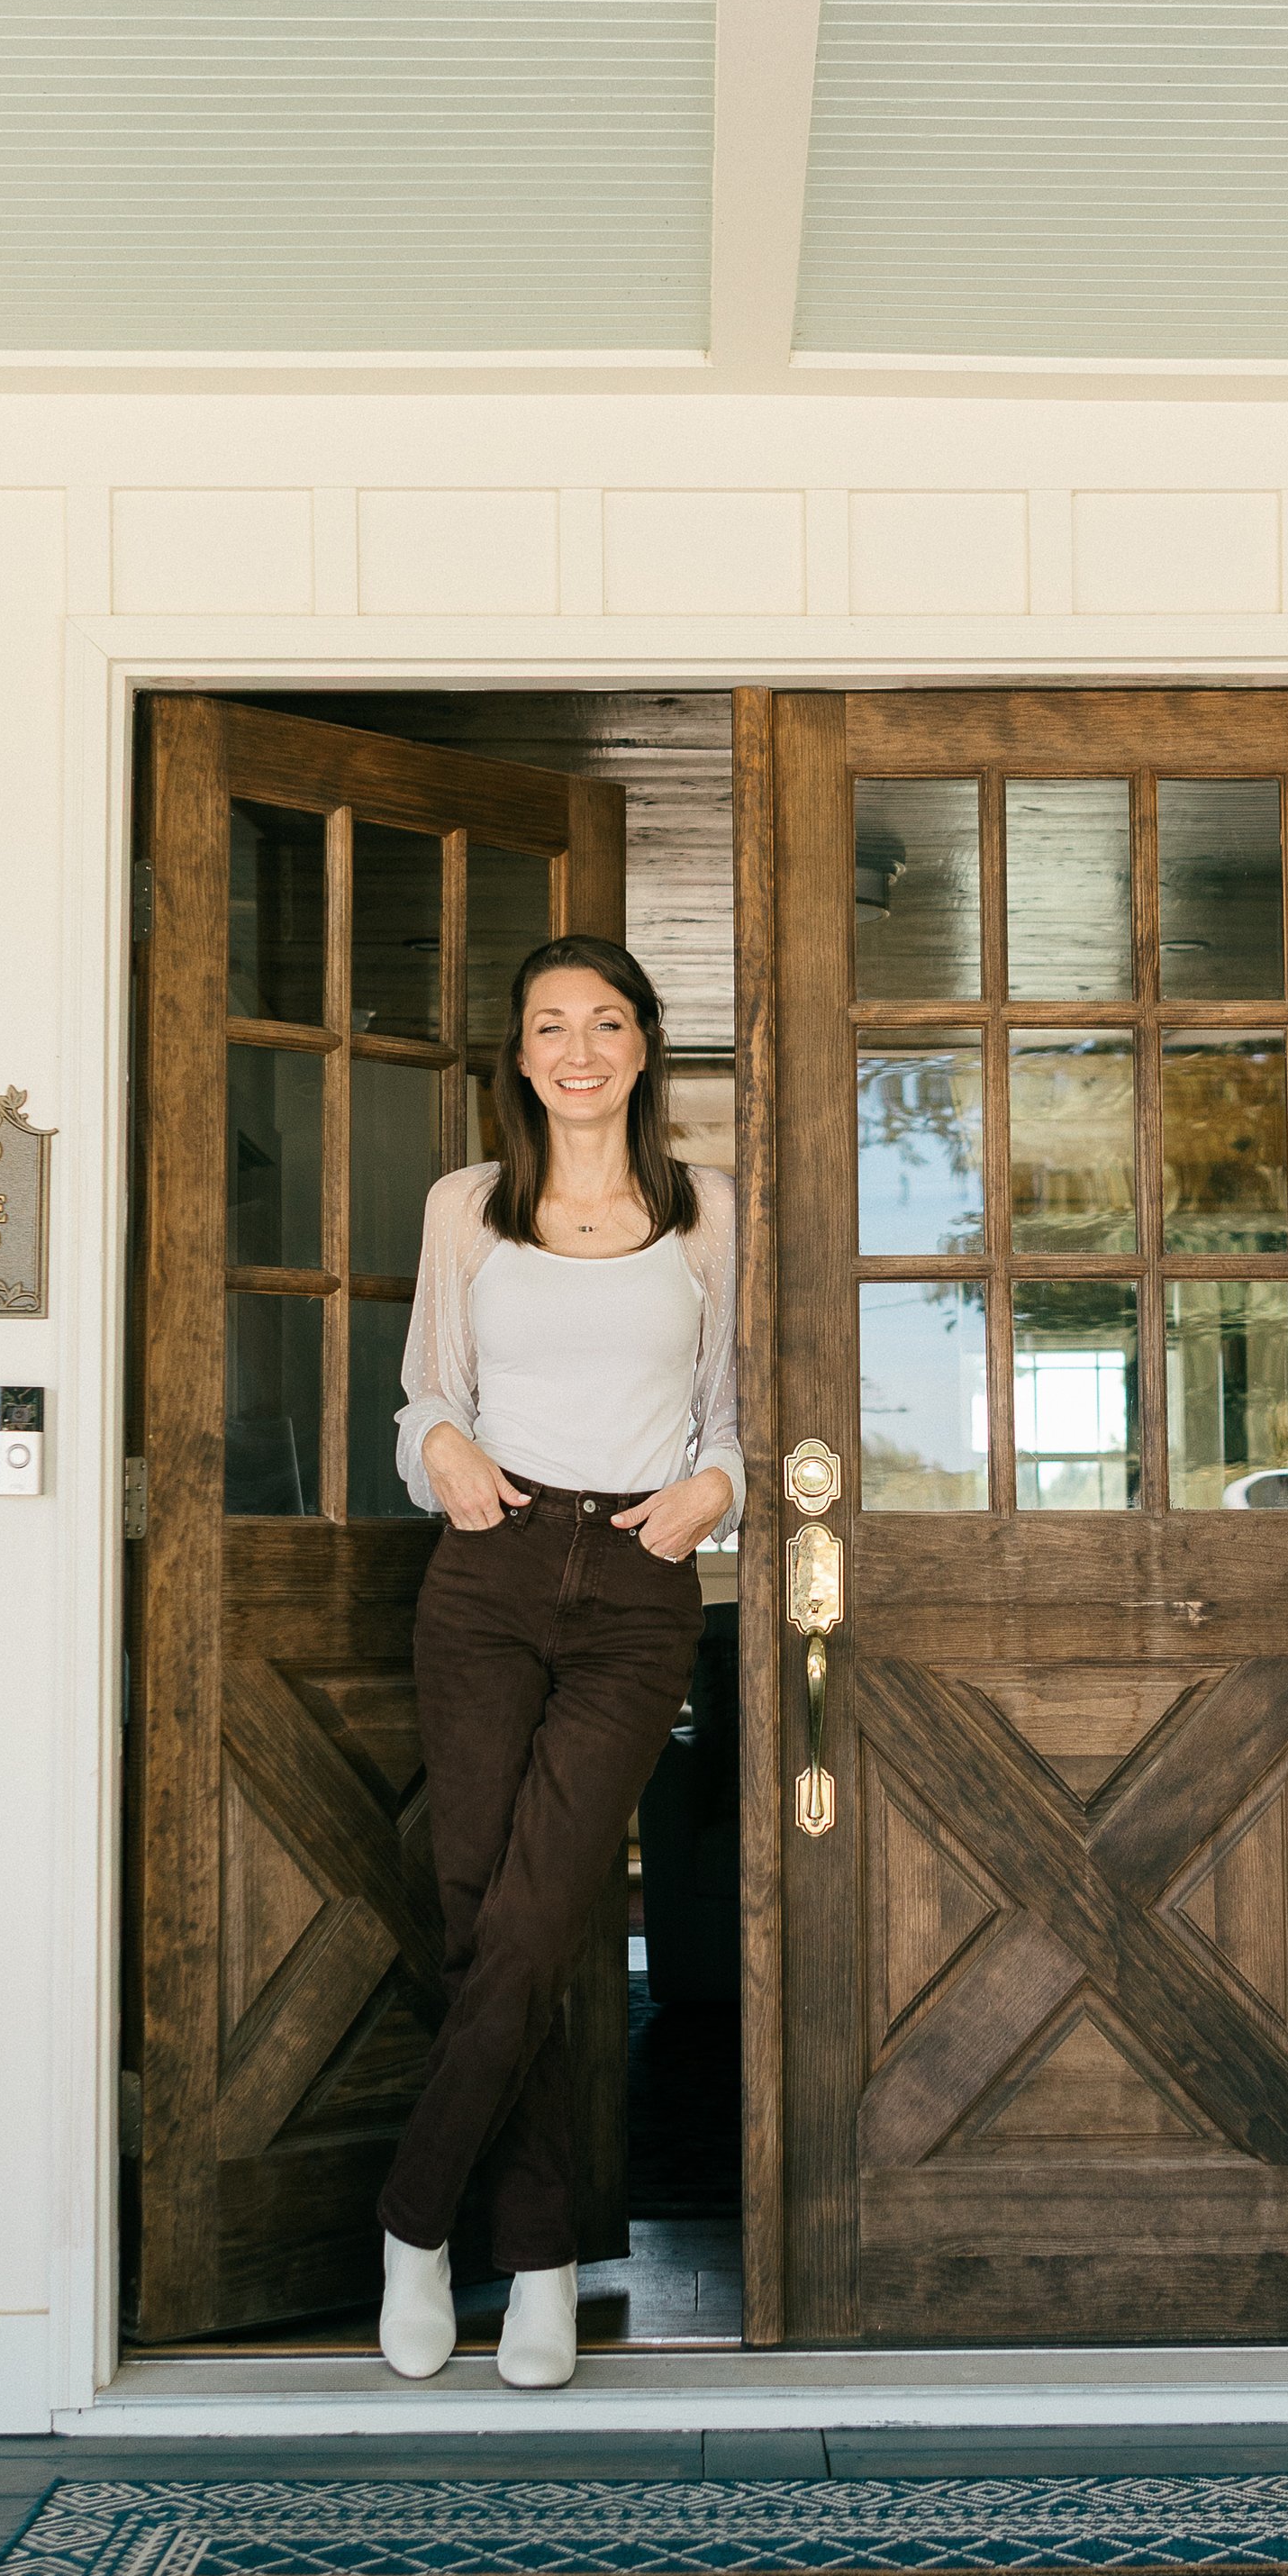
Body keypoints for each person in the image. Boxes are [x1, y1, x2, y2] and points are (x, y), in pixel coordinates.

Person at [379, 935, 742, 2389]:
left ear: (645, 1044)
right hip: (491, 1569)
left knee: (537, 1923)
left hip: (639, 1591)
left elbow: (740, 1411)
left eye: (605, 1022)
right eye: (549, 1025)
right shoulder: (467, 1207)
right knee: (483, 1923)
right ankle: (534, 2265)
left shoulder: (708, 1210)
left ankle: (412, 2216)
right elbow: (425, 1392)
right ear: (519, 1055)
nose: (577, 1047)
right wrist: (444, 1448)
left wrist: (718, 1491)